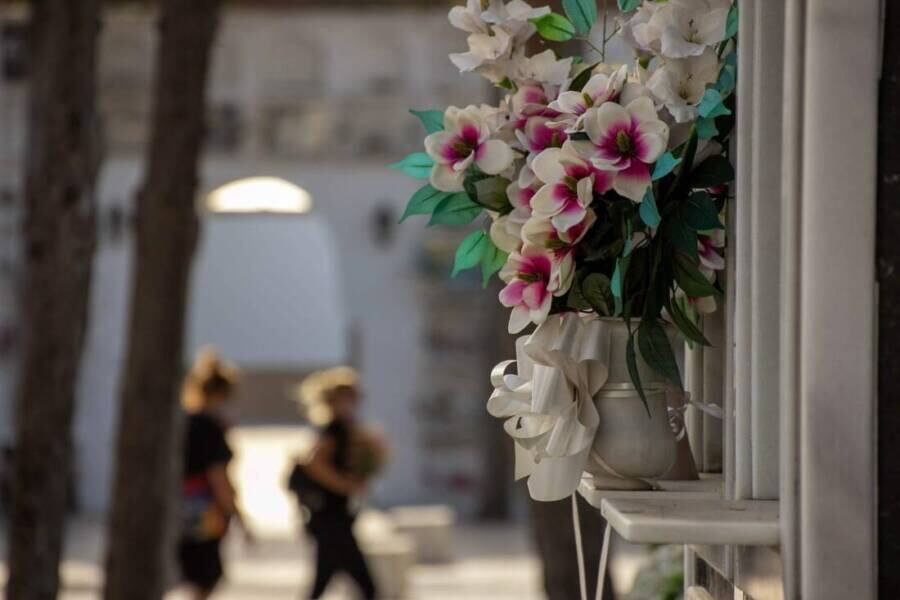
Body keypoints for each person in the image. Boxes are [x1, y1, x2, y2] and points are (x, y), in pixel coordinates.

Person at [291, 367, 382, 600]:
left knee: (323, 583)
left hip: (334, 517)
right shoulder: (334, 429)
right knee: (367, 587)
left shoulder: (346, 429)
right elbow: (314, 465)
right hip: (331, 519)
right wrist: (344, 485)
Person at [177, 349, 252, 599]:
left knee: (194, 573)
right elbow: (218, 476)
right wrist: (237, 514)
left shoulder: (184, 421)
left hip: (180, 505)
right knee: (205, 574)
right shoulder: (210, 428)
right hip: (204, 510)